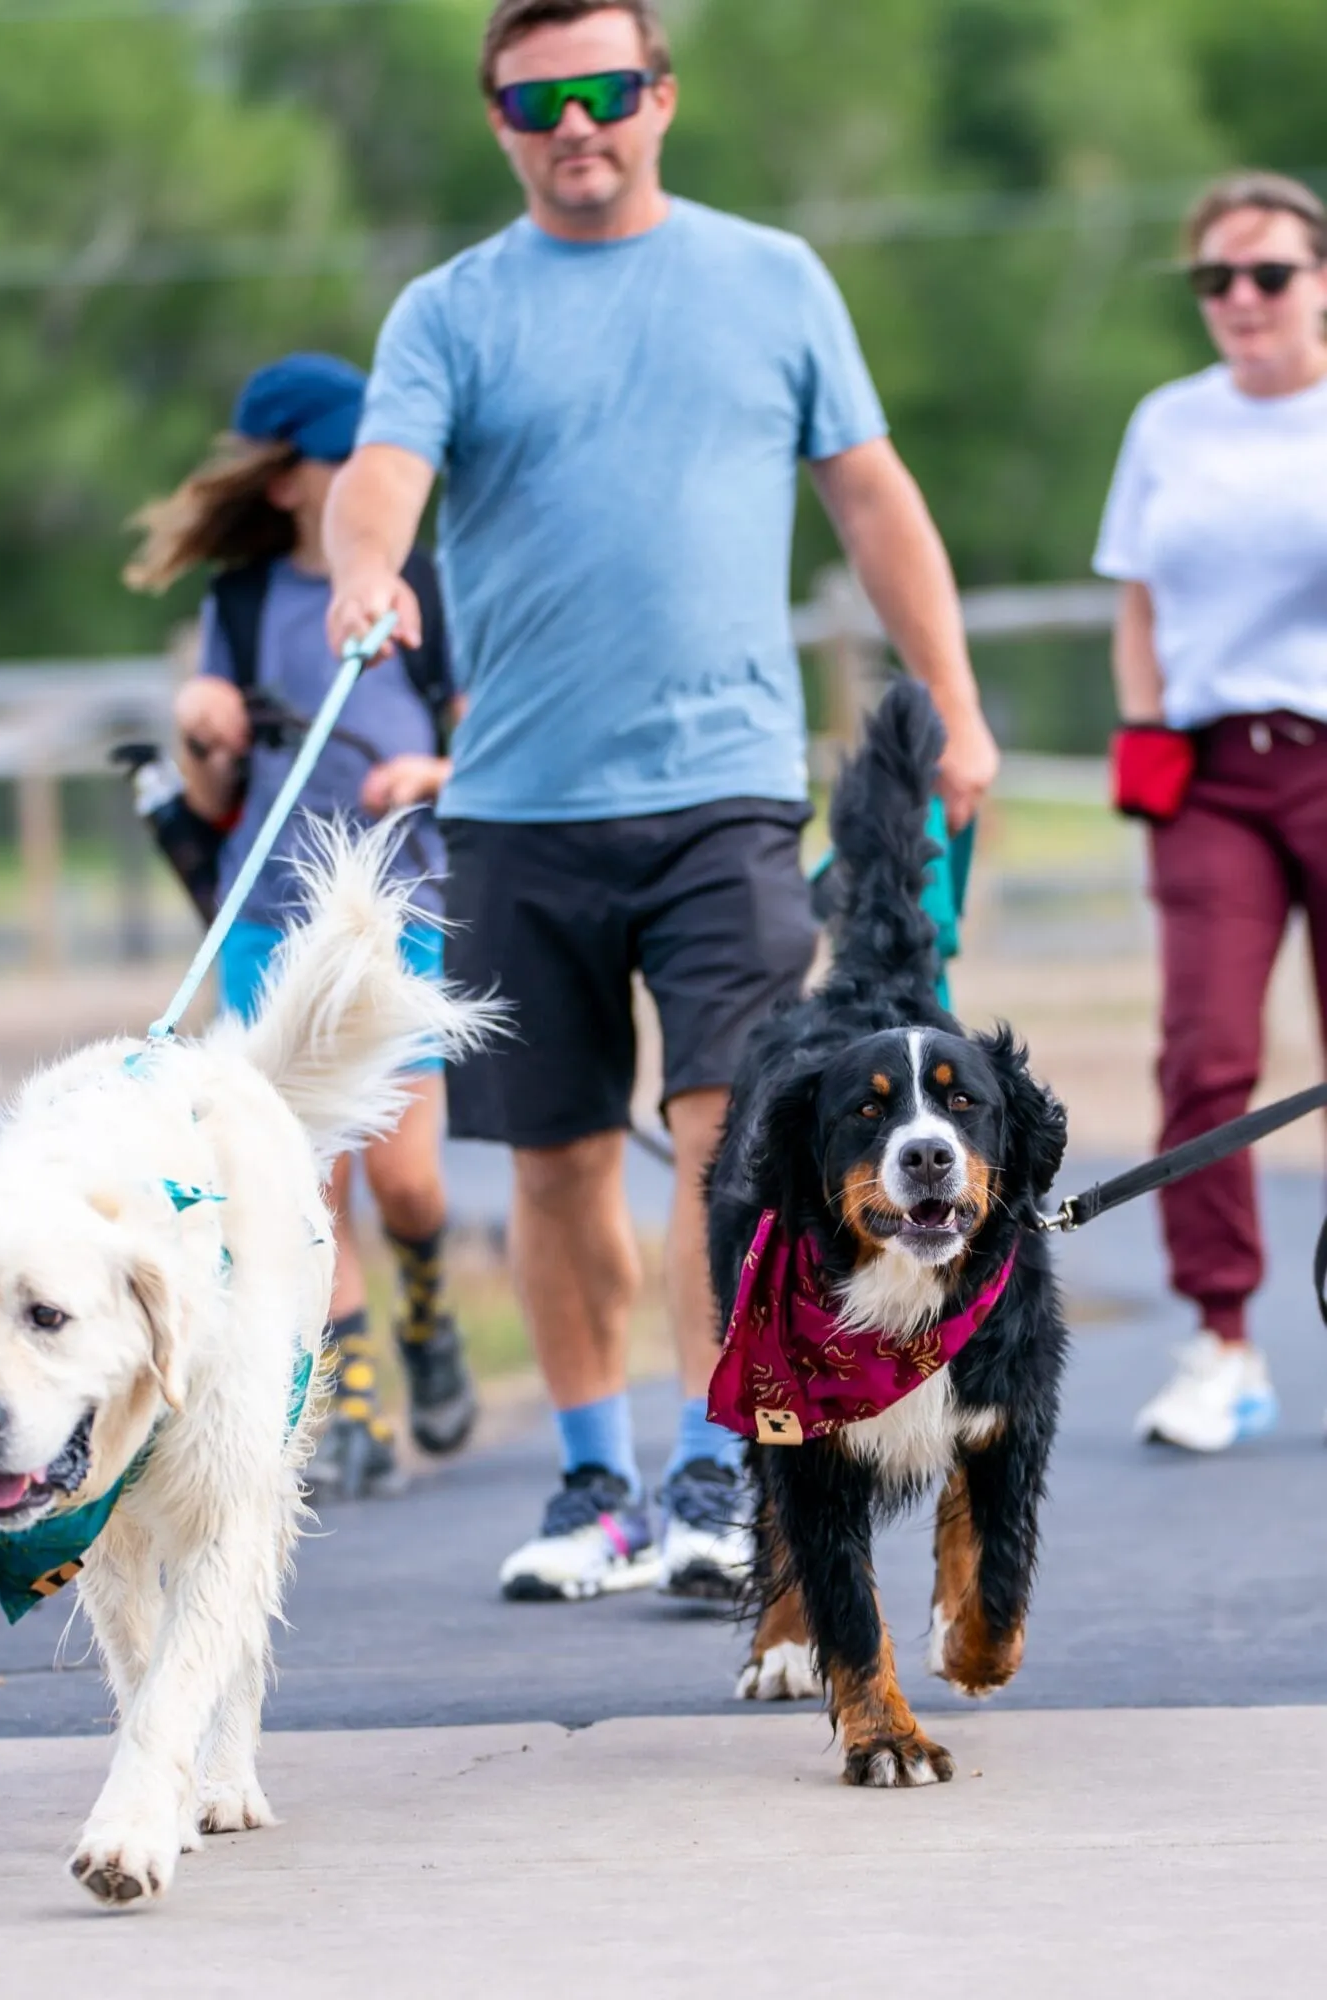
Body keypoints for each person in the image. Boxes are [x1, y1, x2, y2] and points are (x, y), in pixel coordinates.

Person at [324, 0, 999, 1599]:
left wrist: (954, 705)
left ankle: (721, 1469)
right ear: (496, 118)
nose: (575, 123)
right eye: (537, 97)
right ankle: (590, 1484)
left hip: (722, 800)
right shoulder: (450, 308)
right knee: (551, 1159)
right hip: (517, 808)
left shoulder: (769, 279)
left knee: (727, 1143)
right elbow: (379, 479)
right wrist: (366, 574)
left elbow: (871, 497)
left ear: (660, 99)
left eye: (605, 90)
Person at [125, 352, 477, 1498]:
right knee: (303, 1181)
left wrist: (427, 769)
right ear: (288, 480)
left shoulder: (422, 585)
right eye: (345, 459)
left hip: (395, 914)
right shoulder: (236, 606)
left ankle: (426, 1300)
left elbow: (480, 744)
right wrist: (201, 729)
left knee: (409, 1176)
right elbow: (218, 794)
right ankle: (350, 1394)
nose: (371, 475)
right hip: (267, 919)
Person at [1094, 171, 1327, 1453]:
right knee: (1202, 1053)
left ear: (1319, 282)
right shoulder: (1167, 423)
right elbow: (1137, 593)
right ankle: (1220, 1337)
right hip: (1210, 771)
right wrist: (1142, 726)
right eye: (1215, 280)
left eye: (1268, 275)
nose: (1240, 299)